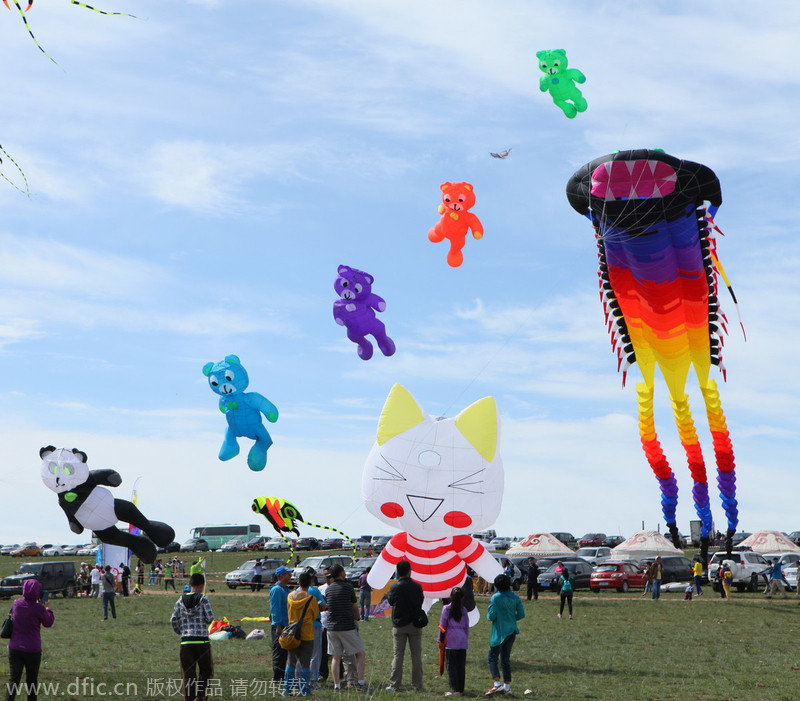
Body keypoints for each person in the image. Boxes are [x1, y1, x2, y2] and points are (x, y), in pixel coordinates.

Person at [5, 579, 54, 701]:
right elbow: (48, 623)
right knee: (32, 682)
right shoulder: (39, 608)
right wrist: (47, 609)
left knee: (13, 681)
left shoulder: (16, 604)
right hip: (32, 649)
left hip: (15, 647)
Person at [171, 572, 215, 701]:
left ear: (189, 585)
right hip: (202, 642)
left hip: (186, 642)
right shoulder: (203, 599)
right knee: (205, 671)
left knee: (188, 674)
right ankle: (200, 697)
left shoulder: (180, 600)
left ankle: (189, 699)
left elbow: (173, 620)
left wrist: (181, 631)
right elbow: (210, 618)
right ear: (202, 585)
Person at [325, 564, 367, 692]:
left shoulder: (329, 589)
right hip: (347, 626)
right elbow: (354, 605)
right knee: (360, 653)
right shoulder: (348, 587)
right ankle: (360, 682)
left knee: (336, 657)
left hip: (331, 627)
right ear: (342, 573)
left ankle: (336, 685)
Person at [385, 560, 425, 693]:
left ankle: (395, 684)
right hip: (415, 624)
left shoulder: (395, 587)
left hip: (399, 624)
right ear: (409, 571)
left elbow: (390, 601)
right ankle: (418, 685)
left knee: (398, 656)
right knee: (416, 656)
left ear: (397, 572)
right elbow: (421, 600)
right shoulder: (417, 586)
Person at [485, 573, 524, 696]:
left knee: (492, 657)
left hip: (499, 632)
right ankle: (507, 687)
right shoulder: (516, 598)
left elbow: (491, 616)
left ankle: (497, 684)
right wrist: (512, 618)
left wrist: (490, 616)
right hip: (512, 631)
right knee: (505, 659)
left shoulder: (495, 598)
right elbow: (521, 614)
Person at [284, 571, 321, 696]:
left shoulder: (290, 596)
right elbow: (315, 614)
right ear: (310, 583)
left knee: (291, 662)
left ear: (298, 583)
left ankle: (287, 688)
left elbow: (288, 611)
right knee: (305, 663)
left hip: (292, 632)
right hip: (306, 633)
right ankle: (304, 689)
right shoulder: (311, 598)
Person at [439, 586, 469, 696]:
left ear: (451, 596)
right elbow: (466, 626)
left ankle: (454, 689)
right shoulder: (464, 610)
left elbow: (443, 626)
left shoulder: (446, 609)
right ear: (462, 598)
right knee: (461, 666)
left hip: (451, 642)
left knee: (451, 666)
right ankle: (460, 689)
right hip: (462, 641)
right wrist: (466, 639)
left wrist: (440, 641)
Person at [269, 566, 292, 682]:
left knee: (285, 652)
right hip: (280, 626)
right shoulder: (277, 590)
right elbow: (275, 609)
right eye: (288, 574)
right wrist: (277, 625)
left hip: (287, 625)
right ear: (281, 576)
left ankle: (283, 674)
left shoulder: (286, 589)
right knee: (279, 651)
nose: (290, 576)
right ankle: (277, 677)